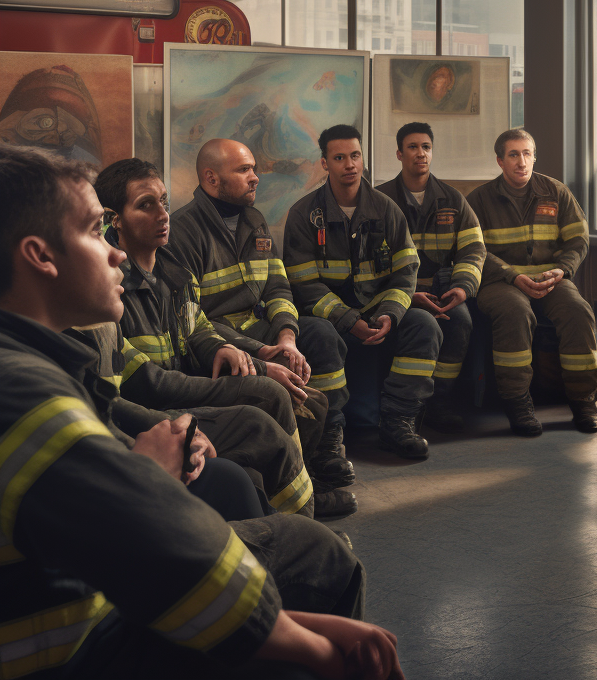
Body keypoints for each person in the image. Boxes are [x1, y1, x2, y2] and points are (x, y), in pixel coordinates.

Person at [0, 144, 404, 680]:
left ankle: (303, 503)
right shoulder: (24, 392)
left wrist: (259, 348)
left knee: (265, 473)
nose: (114, 252)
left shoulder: (35, 362)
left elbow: (200, 329)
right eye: (96, 231)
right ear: (41, 257)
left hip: (86, 615)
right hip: (82, 649)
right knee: (318, 556)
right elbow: (161, 542)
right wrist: (314, 648)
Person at [94, 157, 356, 519]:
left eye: (164, 202)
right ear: (114, 219)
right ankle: (298, 522)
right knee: (268, 397)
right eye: (145, 205)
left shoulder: (174, 270)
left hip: (188, 381)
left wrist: (223, 347)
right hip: (156, 408)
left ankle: (299, 491)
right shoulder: (109, 286)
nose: (162, 214)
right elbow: (150, 384)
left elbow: (197, 325)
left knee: (308, 399)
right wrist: (260, 371)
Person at [167, 139, 356, 501]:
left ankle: (326, 448)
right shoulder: (183, 232)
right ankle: (295, 480)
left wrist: (286, 336)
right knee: (276, 383)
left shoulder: (254, 220)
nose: (256, 178)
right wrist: (261, 350)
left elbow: (277, 286)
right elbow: (193, 320)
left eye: (254, 168)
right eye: (244, 170)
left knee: (320, 334)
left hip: (260, 329)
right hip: (219, 342)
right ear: (211, 178)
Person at [283, 125, 440, 459]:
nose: (349, 164)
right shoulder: (303, 216)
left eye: (355, 155)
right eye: (339, 158)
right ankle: (332, 433)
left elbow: (406, 271)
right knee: (321, 333)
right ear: (325, 163)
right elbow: (304, 285)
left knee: (424, 324)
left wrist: (392, 313)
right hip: (330, 317)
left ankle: (398, 422)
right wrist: (347, 319)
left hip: (378, 311)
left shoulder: (386, 210)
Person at [467, 128, 597, 436]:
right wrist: (512, 275)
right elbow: (473, 251)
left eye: (527, 154)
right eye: (513, 155)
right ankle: (517, 402)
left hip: (550, 278)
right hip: (500, 282)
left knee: (578, 311)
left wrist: (563, 270)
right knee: (515, 313)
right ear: (500, 161)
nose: (521, 162)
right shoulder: (479, 200)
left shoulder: (556, 192)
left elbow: (578, 239)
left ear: (534, 157)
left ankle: (583, 401)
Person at [375, 122, 486, 432]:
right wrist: (405, 295)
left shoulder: (453, 199)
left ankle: (439, 401)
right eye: (412, 147)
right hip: (399, 293)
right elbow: (370, 259)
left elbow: (474, 250)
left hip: (444, 291)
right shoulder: (380, 201)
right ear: (399, 154)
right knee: (418, 328)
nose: (420, 154)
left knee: (460, 321)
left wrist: (462, 288)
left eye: (425, 147)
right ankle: (409, 404)